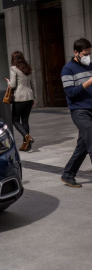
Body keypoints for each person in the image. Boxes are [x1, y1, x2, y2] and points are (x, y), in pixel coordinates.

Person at [60, 38, 92, 188]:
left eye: (90, 53)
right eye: (85, 54)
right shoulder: (67, 69)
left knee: (83, 146)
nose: (88, 57)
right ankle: (68, 174)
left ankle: (68, 174)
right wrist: (88, 82)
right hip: (79, 110)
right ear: (76, 52)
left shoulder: (90, 65)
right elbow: (70, 93)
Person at [5, 51, 36, 152]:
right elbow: (31, 84)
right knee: (25, 120)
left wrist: (8, 82)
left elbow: (13, 85)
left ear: (13, 59)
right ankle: (26, 145)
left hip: (19, 97)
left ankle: (27, 137)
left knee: (14, 120)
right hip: (29, 96)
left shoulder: (13, 69)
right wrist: (33, 98)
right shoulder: (28, 68)